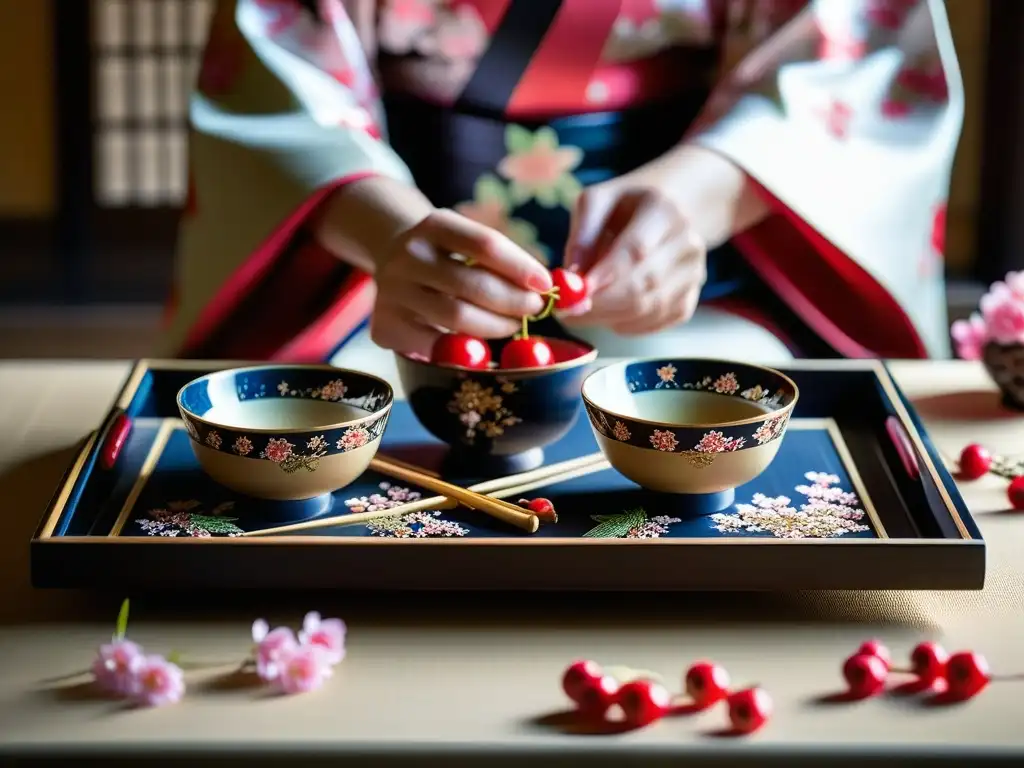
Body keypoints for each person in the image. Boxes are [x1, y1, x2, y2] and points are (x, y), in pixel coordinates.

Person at [159, 0, 961, 368]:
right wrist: (393, 237)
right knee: (341, 411)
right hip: (388, 278)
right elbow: (282, 76)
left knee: (718, 399)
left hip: (698, 275)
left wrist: (696, 198)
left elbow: (852, 54)